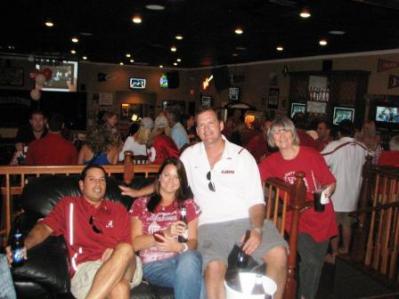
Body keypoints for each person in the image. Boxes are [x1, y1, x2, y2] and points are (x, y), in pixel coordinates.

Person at [121, 108, 288, 299]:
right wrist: (137, 192)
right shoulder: (190, 156)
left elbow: (257, 202)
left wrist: (257, 230)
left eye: (211, 123)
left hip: (246, 221)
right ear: (197, 131)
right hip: (210, 227)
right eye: (201, 125)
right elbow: (167, 179)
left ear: (221, 125)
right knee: (214, 269)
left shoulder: (243, 156)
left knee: (279, 253)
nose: (206, 129)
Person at [6, 164, 140, 299]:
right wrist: (25, 244)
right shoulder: (68, 206)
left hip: (125, 265)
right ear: (81, 185)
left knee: (125, 248)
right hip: (87, 269)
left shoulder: (118, 209)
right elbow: (45, 228)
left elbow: (128, 245)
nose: (98, 183)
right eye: (92, 179)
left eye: (102, 179)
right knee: (120, 288)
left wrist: (115, 250)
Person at [258, 116, 337, 299]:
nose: (281, 135)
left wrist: (323, 195)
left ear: (292, 133)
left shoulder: (311, 155)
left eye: (284, 130)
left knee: (316, 263)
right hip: (296, 218)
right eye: (276, 132)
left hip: (321, 216)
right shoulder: (271, 161)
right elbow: (251, 177)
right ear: (271, 139)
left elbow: (331, 182)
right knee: (309, 261)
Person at [130, 157, 202, 299]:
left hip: (185, 259)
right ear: (159, 177)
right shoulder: (141, 204)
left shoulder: (188, 205)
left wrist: (178, 248)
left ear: (181, 182)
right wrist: (165, 233)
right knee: (199, 283)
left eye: (176, 177)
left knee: (189, 258)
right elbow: (134, 244)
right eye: (167, 175)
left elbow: (193, 242)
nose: (171, 181)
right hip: (154, 264)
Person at [322, 120, 367, 261]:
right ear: (354, 131)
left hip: (336, 194)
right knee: (347, 224)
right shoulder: (362, 148)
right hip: (353, 194)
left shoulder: (335, 146)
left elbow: (320, 160)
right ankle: (346, 249)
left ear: (339, 132)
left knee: (334, 225)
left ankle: (334, 253)